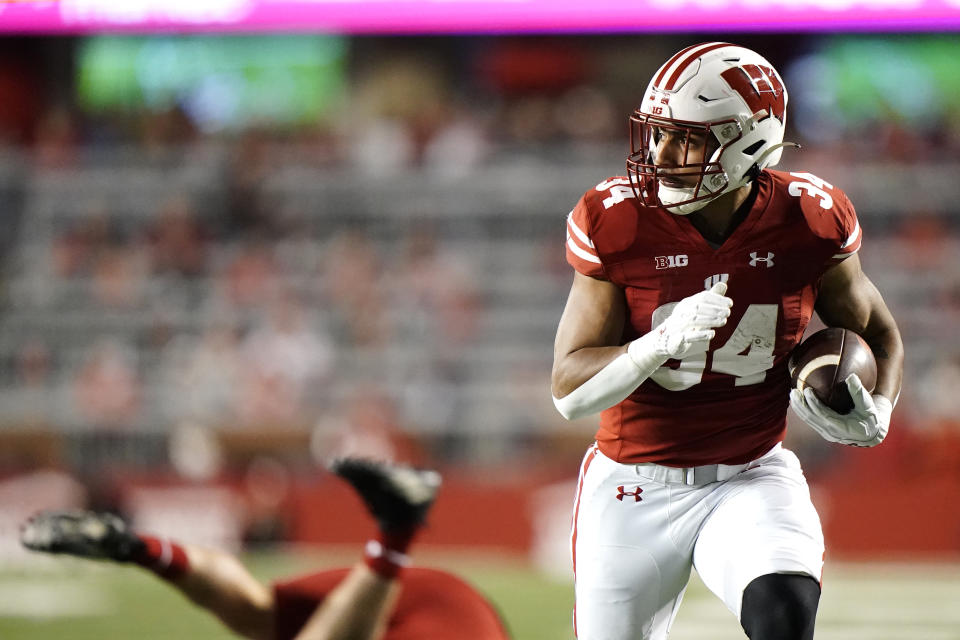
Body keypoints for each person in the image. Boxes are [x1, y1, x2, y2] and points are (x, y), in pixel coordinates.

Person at [551, 42, 903, 640]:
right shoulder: (618, 219)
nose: (662, 156)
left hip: (750, 474)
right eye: (658, 134)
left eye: (686, 138)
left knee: (784, 614)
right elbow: (569, 391)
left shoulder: (810, 220)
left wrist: (882, 407)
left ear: (748, 144)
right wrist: (655, 345)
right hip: (632, 482)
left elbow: (877, 330)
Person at [20, 458, 511, 640]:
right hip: (454, 613)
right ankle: (394, 538)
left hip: (442, 605)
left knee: (257, 611)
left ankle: (394, 538)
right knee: (258, 614)